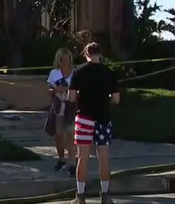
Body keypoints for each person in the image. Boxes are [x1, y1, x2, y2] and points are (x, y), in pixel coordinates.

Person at [67, 42, 120, 204]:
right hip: (103, 118)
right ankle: (105, 195)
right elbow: (116, 99)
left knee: (82, 158)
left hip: (83, 117)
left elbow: (70, 97)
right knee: (103, 157)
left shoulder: (79, 71)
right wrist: (105, 100)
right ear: (100, 54)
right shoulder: (108, 73)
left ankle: (80, 196)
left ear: (86, 53)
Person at [45, 48, 76, 177]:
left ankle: (72, 164)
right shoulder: (54, 73)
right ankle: (61, 159)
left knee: (70, 136)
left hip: (71, 108)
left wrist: (70, 92)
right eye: (62, 58)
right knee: (58, 136)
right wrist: (57, 89)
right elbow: (48, 89)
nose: (65, 61)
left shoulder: (75, 73)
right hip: (58, 107)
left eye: (67, 58)